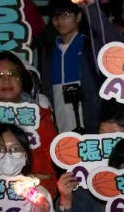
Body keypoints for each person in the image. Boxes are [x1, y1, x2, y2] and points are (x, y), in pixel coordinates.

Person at [0, 51, 58, 191]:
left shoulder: (40, 114)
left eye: (12, 74)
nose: (6, 80)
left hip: (32, 191)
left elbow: (49, 167)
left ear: (22, 78)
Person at [43, 1, 106, 134]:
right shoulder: (49, 49)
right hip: (59, 114)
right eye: (56, 16)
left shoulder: (91, 45)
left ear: (78, 17)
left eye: (66, 15)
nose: (60, 21)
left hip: (90, 118)